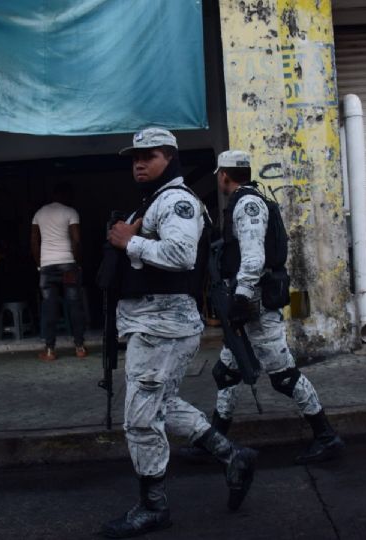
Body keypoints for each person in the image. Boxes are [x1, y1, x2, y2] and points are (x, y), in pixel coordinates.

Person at [100, 128, 259, 538]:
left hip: (162, 326)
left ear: (169, 157)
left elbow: (179, 255)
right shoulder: (154, 201)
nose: (138, 163)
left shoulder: (177, 201)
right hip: (154, 323)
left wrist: (127, 243)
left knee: (139, 421)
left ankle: (153, 506)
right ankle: (233, 456)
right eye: (134, 157)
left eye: (147, 156)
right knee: (162, 404)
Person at [210, 150, 345, 464]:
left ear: (225, 175)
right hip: (248, 302)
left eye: (219, 175)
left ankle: (326, 436)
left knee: (284, 375)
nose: (219, 179)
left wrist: (241, 297)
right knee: (228, 372)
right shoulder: (251, 199)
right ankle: (213, 441)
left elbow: (254, 256)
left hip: (254, 304)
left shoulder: (247, 204)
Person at [31, 182, 87, 360]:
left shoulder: (39, 213)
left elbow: (33, 242)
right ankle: (79, 348)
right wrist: (76, 263)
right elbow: (76, 240)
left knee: (49, 307)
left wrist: (40, 265)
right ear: (65, 196)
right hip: (67, 265)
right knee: (74, 305)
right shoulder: (70, 212)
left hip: (47, 266)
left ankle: (50, 350)